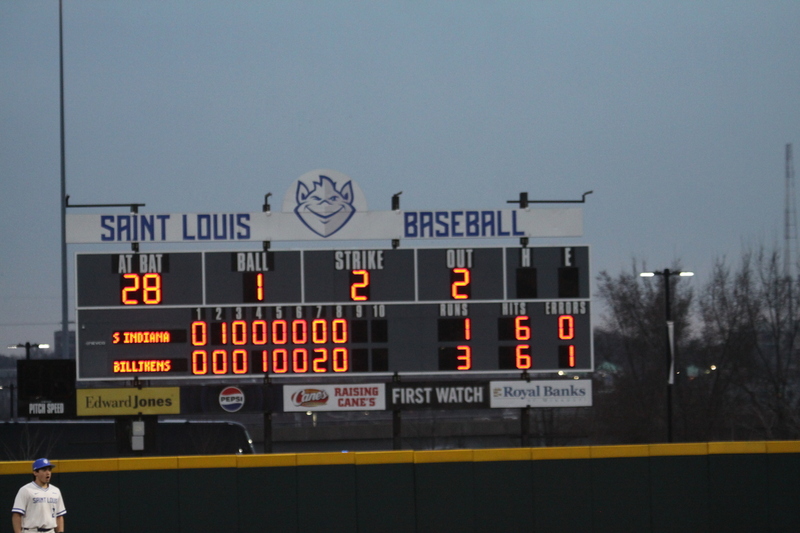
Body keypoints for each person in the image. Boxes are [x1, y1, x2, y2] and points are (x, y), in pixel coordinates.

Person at [11, 458, 66, 533]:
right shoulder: (26, 490)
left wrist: (60, 531)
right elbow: (17, 515)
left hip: (50, 530)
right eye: (44, 470)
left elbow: (59, 515)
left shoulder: (55, 491)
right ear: (35, 473)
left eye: (49, 470)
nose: (48, 473)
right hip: (31, 530)